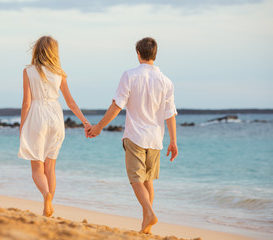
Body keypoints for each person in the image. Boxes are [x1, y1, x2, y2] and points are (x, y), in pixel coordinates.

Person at [88, 37, 178, 234]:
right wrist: (173, 141)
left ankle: (149, 212)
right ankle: (146, 224)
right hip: (155, 139)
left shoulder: (129, 75)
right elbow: (170, 114)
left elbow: (117, 105)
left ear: (138, 54)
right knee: (148, 181)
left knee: (136, 180)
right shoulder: (166, 82)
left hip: (135, 136)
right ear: (155, 54)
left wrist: (100, 126)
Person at [18, 36, 91, 217]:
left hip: (37, 116)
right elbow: (71, 103)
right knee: (50, 167)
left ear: (37, 50)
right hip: (56, 117)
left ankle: (45, 194)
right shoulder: (60, 73)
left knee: (37, 168)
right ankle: (47, 206)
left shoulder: (28, 71)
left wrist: (22, 127)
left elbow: (26, 102)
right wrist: (85, 122)